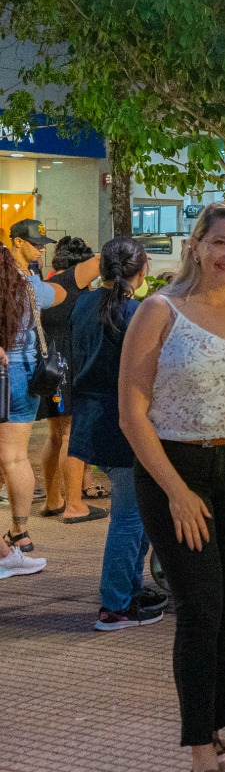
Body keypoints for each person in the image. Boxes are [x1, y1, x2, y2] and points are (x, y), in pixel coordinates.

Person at [119, 202, 225, 772]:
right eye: (220, 243)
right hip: (177, 470)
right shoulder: (159, 310)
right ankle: (199, 757)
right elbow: (132, 410)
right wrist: (176, 490)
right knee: (199, 606)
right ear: (196, 245)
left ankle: (213, 732)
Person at [69, 237, 165, 630]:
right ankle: (116, 606)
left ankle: (129, 590)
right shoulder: (138, 312)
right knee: (129, 518)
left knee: (134, 515)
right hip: (127, 423)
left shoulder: (83, 304)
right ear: (141, 273)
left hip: (91, 420)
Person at [1, 219, 71, 554]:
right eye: (35, 243)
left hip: (8, 372)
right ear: (16, 242)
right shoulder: (30, 284)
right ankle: (20, 533)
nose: (41, 248)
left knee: (11, 459)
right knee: (16, 458)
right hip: (27, 373)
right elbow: (60, 294)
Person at [40, 235, 104, 523]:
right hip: (67, 367)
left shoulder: (50, 284)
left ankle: (53, 500)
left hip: (51, 368)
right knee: (70, 435)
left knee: (56, 436)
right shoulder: (71, 281)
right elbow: (105, 258)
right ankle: (75, 505)